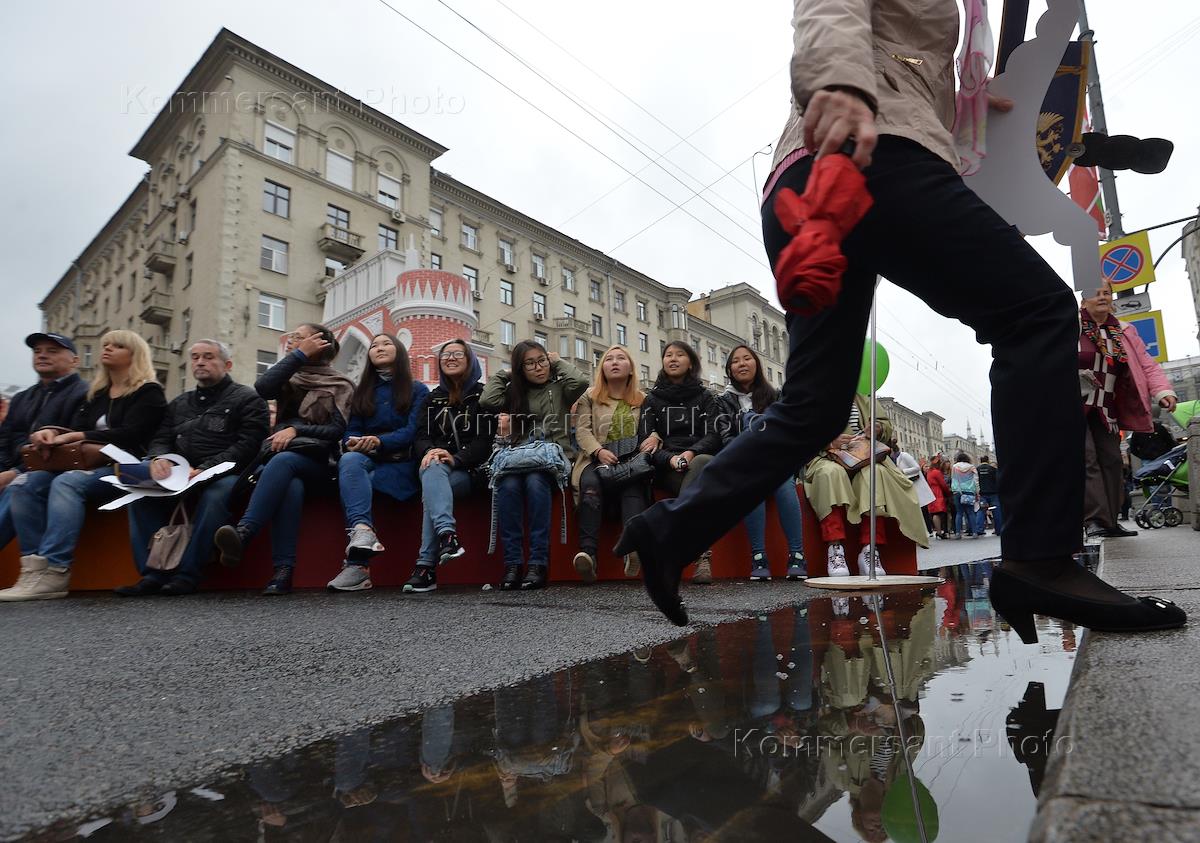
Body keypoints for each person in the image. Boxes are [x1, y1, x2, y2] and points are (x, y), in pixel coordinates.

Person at [616, 0, 1186, 636]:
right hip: (871, 147)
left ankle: (669, 530)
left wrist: (970, 109)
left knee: (815, 406)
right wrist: (837, 86)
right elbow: (829, 6)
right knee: (1038, 313)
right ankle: (1041, 559)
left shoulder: (961, 46)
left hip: (810, 174)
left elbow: (919, 66)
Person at [1, 330, 166, 601]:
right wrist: (51, 434)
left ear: (134, 354)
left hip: (128, 468)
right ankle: (33, 570)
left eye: (117, 345)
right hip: (87, 466)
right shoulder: (97, 393)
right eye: (105, 344)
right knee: (24, 483)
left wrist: (81, 436)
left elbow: (133, 435)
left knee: (68, 481)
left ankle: (56, 570)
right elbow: (75, 430)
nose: (107, 349)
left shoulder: (149, 391)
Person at [118, 340, 270, 596]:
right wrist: (158, 458)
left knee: (215, 496)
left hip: (227, 472)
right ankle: (152, 574)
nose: (200, 362)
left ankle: (188, 574)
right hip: (181, 472)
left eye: (209, 357)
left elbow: (248, 445)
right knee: (140, 493)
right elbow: (161, 437)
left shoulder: (248, 398)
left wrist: (206, 468)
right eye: (196, 357)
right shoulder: (179, 403)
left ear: (227, 364)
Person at [213, 324, 353, 595]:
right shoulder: (291, 377)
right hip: (285, 464)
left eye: (299, 339)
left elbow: (337, 430)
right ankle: (283, 572)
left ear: (318, 344)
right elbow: (262, 387)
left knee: (283, 462)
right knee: (291, 486)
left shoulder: (340, 383)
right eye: (292, 339)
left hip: (321, 462)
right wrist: (299, 355)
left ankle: (244, 533)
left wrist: (296, 429)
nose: (291, 342)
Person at [479, 343, 588, 590]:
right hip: (518, 459)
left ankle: (538, 563)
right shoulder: (514, 392)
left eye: (541, 361)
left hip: (553, 460)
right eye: (529, 363)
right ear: (520, 368)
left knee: (536, 483)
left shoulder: (560, 387)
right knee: (507, 486)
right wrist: (506, 373)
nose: (538, 367)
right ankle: (513, 564)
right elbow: (488, 400)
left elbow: (580, 382)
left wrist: (557, 361)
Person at [328, 333, 429, 593]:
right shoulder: (364, 391)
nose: (379, 347)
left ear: (399, 351)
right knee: (349, 461)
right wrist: (353, 442)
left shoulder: (417, 389)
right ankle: (363, 532)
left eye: (386, 343)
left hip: (400, 464)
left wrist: (378, 441)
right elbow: (352, 429)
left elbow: (412, 431)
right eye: (374, 345)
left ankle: (357, 567)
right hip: (366, 458)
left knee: (358, 486)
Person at [1079, 280, 1177, 539]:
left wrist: (1163, 391)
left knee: (1112, 460)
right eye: (1096, 293)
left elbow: (1147, 365)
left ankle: (1110, 521)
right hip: (1073, 405)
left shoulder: (1124, 331)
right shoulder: (1070, 327)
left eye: (1107, 293)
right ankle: (1095, 521)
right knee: (1086, 458)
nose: (1103, 297)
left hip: (1107, 406)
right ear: (1082, 302)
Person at [405, 339, 494, 593]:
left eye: (457, 354)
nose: (450, 358)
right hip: (434, 468)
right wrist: (430, 450)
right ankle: (446, 536)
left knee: (432, 491)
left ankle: (425, 567)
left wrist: (456, 458)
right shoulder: (433, 398)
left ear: (470, 361)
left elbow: (484, 442)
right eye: (445, 355)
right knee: (433, 469)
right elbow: (420, 435)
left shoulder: (482, 395)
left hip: (468, 470)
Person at [802, 396, 927, 576]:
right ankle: (835, 549)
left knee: (875, 474)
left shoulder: (865, 395)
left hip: (864, 457)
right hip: (825, 456)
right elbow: (799, 429)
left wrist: (878, 428)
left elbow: (885, 426)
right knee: (830, 473)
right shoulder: (812, 391)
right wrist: (828, 441)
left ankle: (870, 549)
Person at [638, 341, 724, 585]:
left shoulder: (706, 397)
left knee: (703, 463)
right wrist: (671, 458)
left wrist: (689, 453)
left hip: (698, 460)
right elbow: (645, 443)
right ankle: (701, 555)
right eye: (668, 355)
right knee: (699, 486)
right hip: (666, 468)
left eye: (679, 355)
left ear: (690, 364)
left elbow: (713, 435)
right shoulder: (652, 399)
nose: (672, 359)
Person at [717, 345, 806, 581]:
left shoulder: (775, 396)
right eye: (736, 361)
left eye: (747, 358)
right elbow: (725, 437)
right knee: (751, 486)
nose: (742, 364)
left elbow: (788, 432)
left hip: (776, 460)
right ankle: (758, 556)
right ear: (729, 369)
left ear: (757, 364)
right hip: (743, 463)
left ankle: (797, 555)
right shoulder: (723, 402)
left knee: (784, 483)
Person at [0, 332, 88, 553]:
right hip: (17, 471)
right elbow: (5, 440)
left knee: (21, 486)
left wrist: (15, 472)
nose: (42, 355)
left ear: (75, 360)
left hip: (56, 472)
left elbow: (69, 448)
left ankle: (36, 567)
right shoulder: (22, 397)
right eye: (37, 351)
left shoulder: (85, 393)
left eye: (53, 351)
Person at [571, 345, 652, 583]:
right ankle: (589, 554)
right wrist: (598, 451)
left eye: (621, 358)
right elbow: (583, 431)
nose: (614, 362)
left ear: (630, 368)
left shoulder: (644, 399)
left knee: (633, 487)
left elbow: (653, 429)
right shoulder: (590, 396)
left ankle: (630, 550)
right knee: (590, 484)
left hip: (632, 461)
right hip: (596, 459)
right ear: (602, 368)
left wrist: (655, 437)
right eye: (609, 359)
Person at [948, 453, 979, 538]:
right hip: (969, 491)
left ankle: (958, 533)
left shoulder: (954, 467)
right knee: (971, 512)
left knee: (959, 513)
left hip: (958, 491)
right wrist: (977, 492)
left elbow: (953, 478)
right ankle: (975, 533)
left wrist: (955, 489)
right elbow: (976, 480)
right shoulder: (972, 467)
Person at [925, 456, 950, 539]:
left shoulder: (929, 472)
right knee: (939, 512)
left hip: (931, 492)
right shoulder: (937, 472)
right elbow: (943, 484)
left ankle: (938, 532)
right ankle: (941, 532)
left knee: (935, 513)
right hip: (938, 492)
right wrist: (948, 492)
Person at [976, 455, 1000, 535]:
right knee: (996, 511)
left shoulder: (977, 469)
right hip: (993, 493)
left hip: (983, 494)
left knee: (981, 511)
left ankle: (979, 529)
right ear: (988, 460)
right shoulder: (993, 469)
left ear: (980, 460)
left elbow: (976, 481)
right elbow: (997, 481)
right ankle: (998, 529)